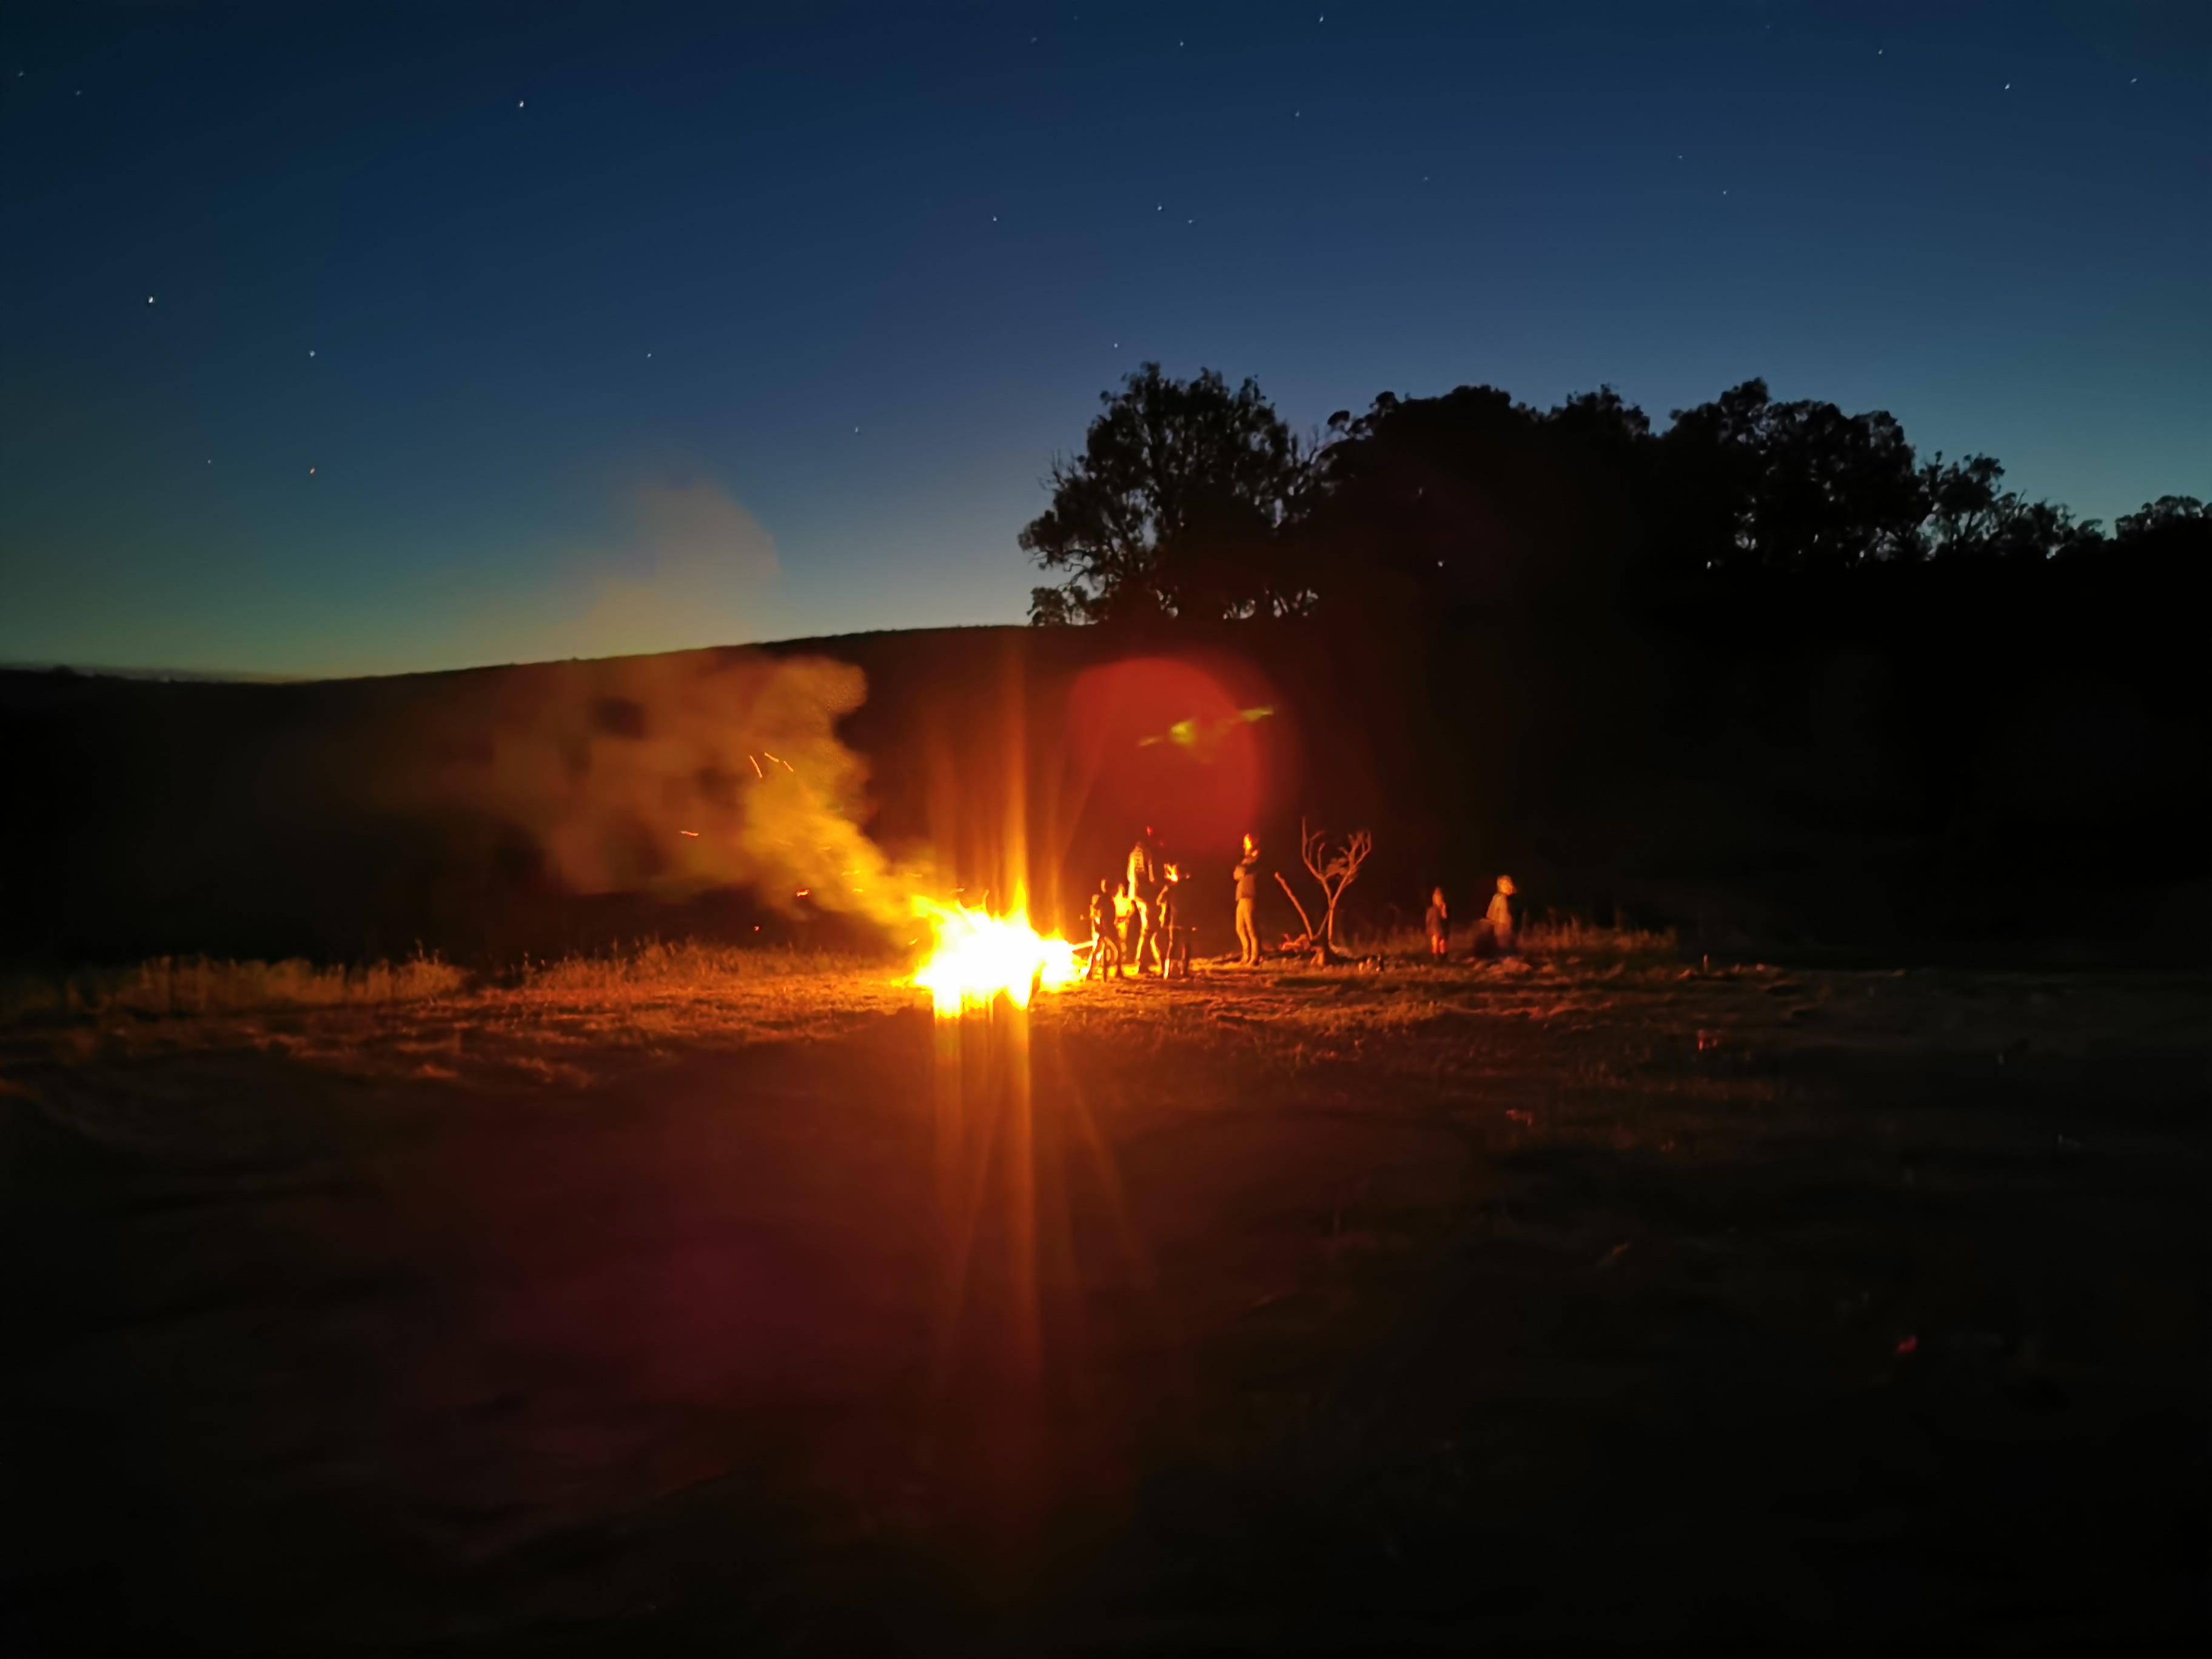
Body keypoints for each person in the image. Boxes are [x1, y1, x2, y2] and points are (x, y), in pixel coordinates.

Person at [1125, 827, 1161, 974]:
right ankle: (1141, 962)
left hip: (1134, 893)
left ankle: (1149, 959)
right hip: (1146, 894)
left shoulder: (1133, 853)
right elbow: (1152, 877)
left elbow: (1129, 875)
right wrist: (1166, 885)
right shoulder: (1148, 853)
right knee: (1149, 928)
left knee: (1146, 927)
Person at [1233, 833, 1262, 966]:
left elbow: (1244, 870)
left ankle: (1255, 957)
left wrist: (1242, 869)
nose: (1245, 844)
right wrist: (1241, 869)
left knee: (1251, 928)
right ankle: (1246, 955)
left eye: (1248, 841)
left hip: (1250, 896)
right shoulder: (1246, 859)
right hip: (1241, 897)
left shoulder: (1257, 857)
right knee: (1240, 928)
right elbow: (1236, 875)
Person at [1085, 877, 1119, 980]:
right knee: (1107, 948)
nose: (1117, 891)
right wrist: (1098, 923)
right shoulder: (1103, 899)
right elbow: (1095, 910)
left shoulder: (1109, 899)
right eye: (1115, 889)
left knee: (1105, 949)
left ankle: (1118, 970)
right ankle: (1091, 972)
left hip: (1108, 926)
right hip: (1106, 927)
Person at [1485, 874, 1517, 956]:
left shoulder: (1509, 900)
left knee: (1507, 942)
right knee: (1502, 942)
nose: (1509, 887)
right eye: (1506, 885)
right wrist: (1492, 922)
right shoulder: (1498, 898)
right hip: (1500, 925)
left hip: (1506, 925)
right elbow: (1492, 912)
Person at [1113, 880, 1137, 977]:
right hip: (1115, 922)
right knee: (1116, 942)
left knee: (1122, 940)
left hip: (1123, 922)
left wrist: (1127, 917)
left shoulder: (1127, 901)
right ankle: (1114, 960)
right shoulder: (1114, 899)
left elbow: (1132, 910)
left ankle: (1122, 959)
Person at [1426, 886, 1450, 959]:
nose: (1439, 899)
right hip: (1434, 929)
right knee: (1435, 943)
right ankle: (1435, 957)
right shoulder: (1431, 910)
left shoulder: (1444, 909)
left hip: (1442, 929)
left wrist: (1444, 909)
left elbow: (1445, 919)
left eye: (1440, 898)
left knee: (1442, 944)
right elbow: (1428, 921)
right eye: (1437, 898)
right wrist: (1428, 929)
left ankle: (1443, 957)